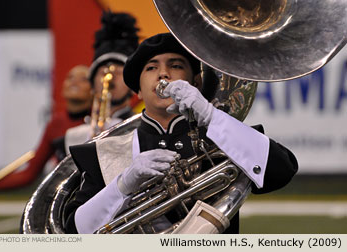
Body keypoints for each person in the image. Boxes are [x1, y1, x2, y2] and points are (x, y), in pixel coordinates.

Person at [64, 33, 298, 234]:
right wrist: (123, 185)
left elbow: (282, 170)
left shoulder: (222, 137)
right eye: (151, 68)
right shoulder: (103, 151)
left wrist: (210, 115)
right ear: (138, 90)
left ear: (196, 81)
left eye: (176, 66)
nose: (163, 74)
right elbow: (74, 232)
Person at [0, 65, 92, 190]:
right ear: (62, 87)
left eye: (83, 79)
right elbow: (29, 174)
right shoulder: (56, 123)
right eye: (70, 78)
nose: (74, 82)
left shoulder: (101, 122)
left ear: (94, 89)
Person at [64, 11, 140, 150]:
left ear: (131, 86)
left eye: (118, 72)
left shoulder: (142, 129)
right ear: (92, 85)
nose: (109, 77)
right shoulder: (74, 135)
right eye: (102, 72)